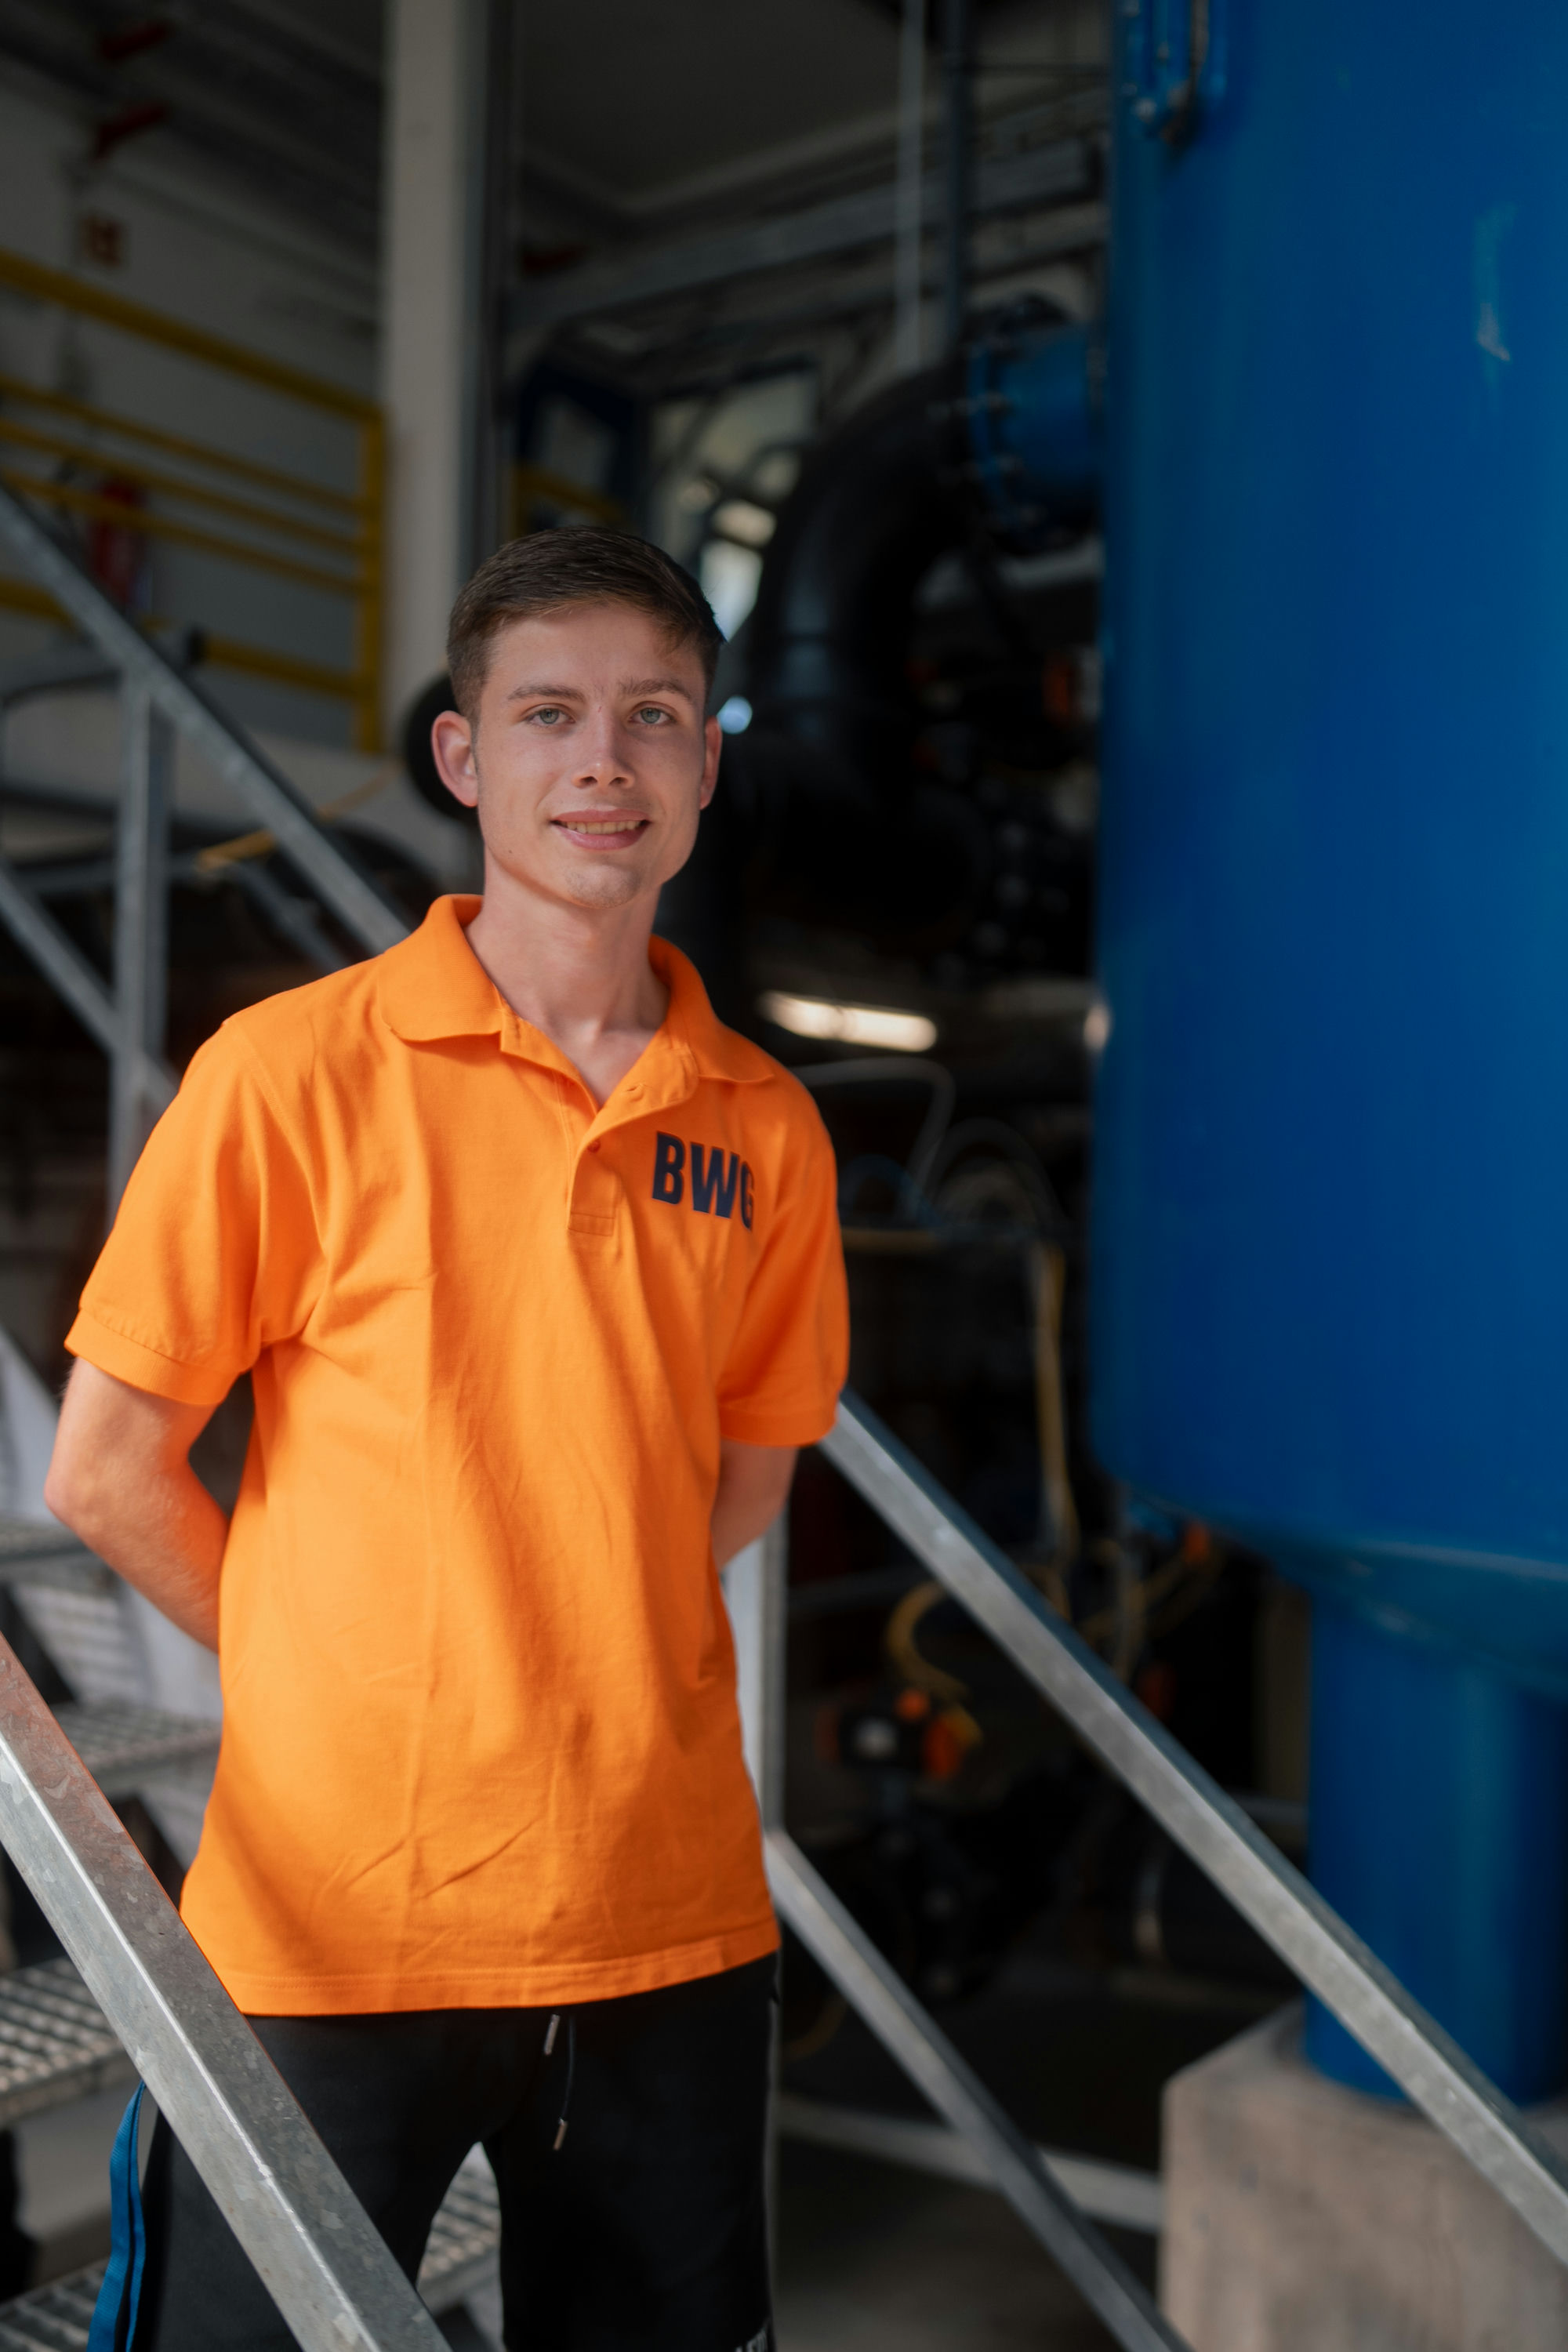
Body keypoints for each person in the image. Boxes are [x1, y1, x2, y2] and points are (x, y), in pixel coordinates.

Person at [44, 528, 849, 2352]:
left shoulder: (766, 1127)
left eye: (654, 716)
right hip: (337, 1925)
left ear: (705, 767)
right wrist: (335, 1669)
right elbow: (104, 1470)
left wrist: (572, 1625)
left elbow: (742, 1470)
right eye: (548, 714)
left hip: (665, 1924)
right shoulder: (289, 1073)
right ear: (464, 758)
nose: (604, 761)